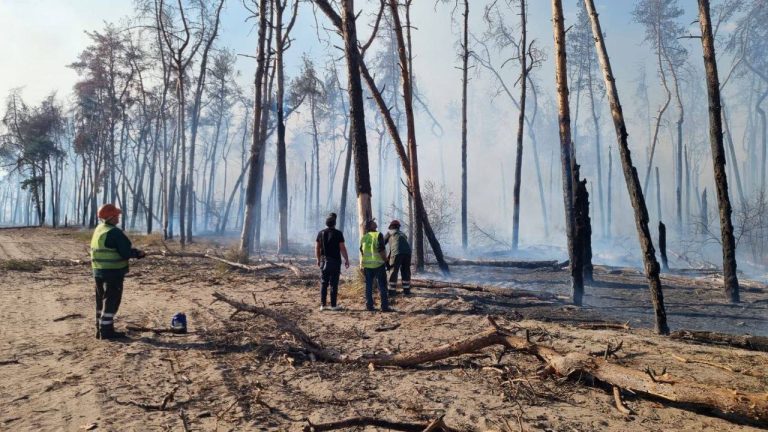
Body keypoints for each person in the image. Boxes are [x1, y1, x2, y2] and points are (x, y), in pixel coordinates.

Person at [90, 204, 145, 340]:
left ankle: (100, 329)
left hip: (98, 271)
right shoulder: (114, 232)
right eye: (117, 215)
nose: (118, 218)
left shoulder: (100, 229)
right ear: (111, 217)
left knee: (101, 300)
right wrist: (138, 253)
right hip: (112, 273)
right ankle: (107, 332)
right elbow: (125, 252)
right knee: (111, 301)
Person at [315, 212, 350, 311]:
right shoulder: (338, 233)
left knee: (324, 283)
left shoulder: (321, 233)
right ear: (334, 224)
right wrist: (346, 259)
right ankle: (333, 305)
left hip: (323, 261)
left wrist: (318, 259)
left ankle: (323, 305)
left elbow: (317, 248)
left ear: (326, 224)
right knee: (334, 283)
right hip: (335, 262)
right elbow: (342, 248)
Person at [360, 219, 391, 312]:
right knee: (382, 286)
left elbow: (362, 251)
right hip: (378, 265)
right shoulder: (378, 235)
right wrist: (387, 262)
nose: (375, 222)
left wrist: (363, 264)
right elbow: (381, 250)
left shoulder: (364, 237)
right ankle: (384, 307)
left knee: (368, 286)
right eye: (373, 222)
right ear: (371, 226)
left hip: (368, 266)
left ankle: (369, 306)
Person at [384, 220, 412, 295]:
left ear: (391, 227)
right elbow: (400, 245)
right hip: (408, 253)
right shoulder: (403, 234)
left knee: (393, 271)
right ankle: (407, 291)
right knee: (406, 271)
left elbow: (382, 243)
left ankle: (392, 291)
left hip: (397, 253)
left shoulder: (390, 232)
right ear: (398, 227)